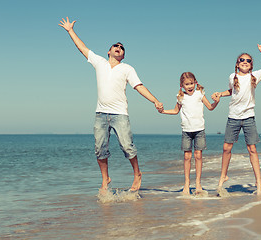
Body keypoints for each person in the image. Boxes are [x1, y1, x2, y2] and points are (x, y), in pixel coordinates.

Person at [58, 17, 163, 193]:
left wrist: (155, 100)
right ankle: (105, 178)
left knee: (127, 147)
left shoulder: (127, 68)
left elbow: (139, 87)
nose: (119, 48)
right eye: (116, 46)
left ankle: (137, 174)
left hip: (120, 114)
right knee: (100, 149)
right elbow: (82, 48)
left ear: (123, 55)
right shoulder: (99, 62)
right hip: (100, 114)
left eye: (122, 48)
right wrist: (70, 31)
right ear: (109, 51)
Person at [212, 44, 261, 195]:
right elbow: (232, 91)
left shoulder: (255, 76)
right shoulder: (232, 76)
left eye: (248, 60)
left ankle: (259, 184)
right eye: (242, 60)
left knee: (252, 149)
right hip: (233, 117)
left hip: (248, 118)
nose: (245, 62)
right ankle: (223, 176)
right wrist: (220, 94)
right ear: (237, 63)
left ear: (251, 65)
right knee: (226, 148)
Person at [159, 72, 220, 195]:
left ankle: (198, 184)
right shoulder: (180, 97)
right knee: (187, 157)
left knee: (198, 156)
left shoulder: (199, 94)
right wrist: (163, 111)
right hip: (186, 131)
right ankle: (186, 183)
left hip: (199, 130)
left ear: (195, 82)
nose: (190, 86)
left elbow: (210, 107)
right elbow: (176, 111)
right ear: (182, 85)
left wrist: (216, 102)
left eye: (191, 83)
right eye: (187, 84)